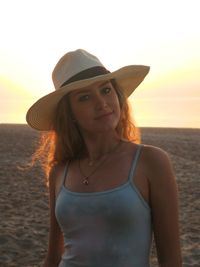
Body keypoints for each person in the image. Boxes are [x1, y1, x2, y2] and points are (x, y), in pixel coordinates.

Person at [26, 49, 182, 267]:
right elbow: (53, 257)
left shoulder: (151, 162)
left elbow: (172, 260)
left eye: (106, 90)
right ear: (69, 114)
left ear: (117, 96)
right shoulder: (60, 172)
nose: (102, 103)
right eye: (85, 97)